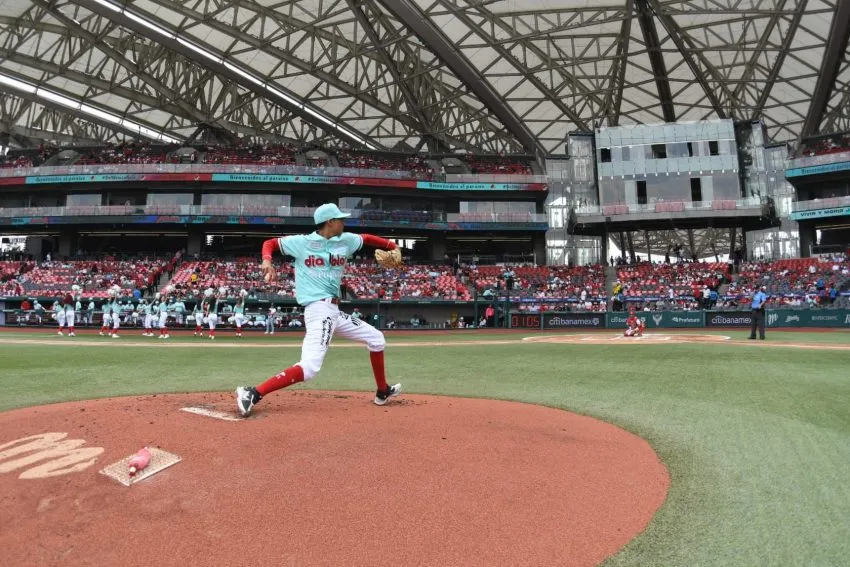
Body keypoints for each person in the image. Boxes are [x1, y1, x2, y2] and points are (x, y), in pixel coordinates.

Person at [235, 203, 402, 417]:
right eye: (340, 219)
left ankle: (382, 391)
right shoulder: (302, 243)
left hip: (333, 311)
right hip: (318, 308)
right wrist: (267, 261)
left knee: (377, 339)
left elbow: (368, 238)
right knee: (310, 367)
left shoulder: (346, 241)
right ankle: (253, 392)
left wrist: (392, 246)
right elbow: (270, 243)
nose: (344, 222)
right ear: (330, 222)